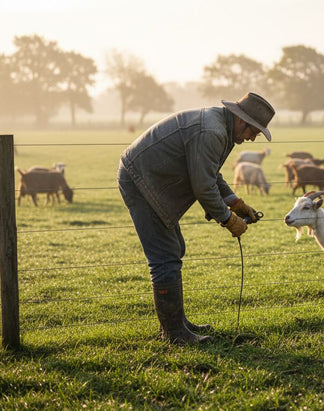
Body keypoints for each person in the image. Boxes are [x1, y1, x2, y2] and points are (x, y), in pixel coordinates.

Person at [117, 92, 275, 344]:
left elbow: (210, 173)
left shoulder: (221, 128)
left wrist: (234, 202)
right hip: (140, 178)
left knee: (174, 248)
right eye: (253, 131)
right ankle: (175, 334)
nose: (252, 138)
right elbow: (203, 187)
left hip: (152, 177)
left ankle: (177, 323)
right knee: (164, 256)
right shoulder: (212, 132)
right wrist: (227, 219)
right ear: (241, 120)